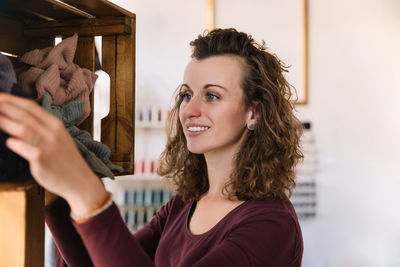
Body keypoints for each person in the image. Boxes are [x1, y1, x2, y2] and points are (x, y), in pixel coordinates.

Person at [0, 28, 304, 266]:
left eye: (212, 96)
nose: (190, 110)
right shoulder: (184, 204)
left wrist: (86, 191)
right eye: (187, 95)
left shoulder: (272, 226)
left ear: (254, 112)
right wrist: (56, 196)